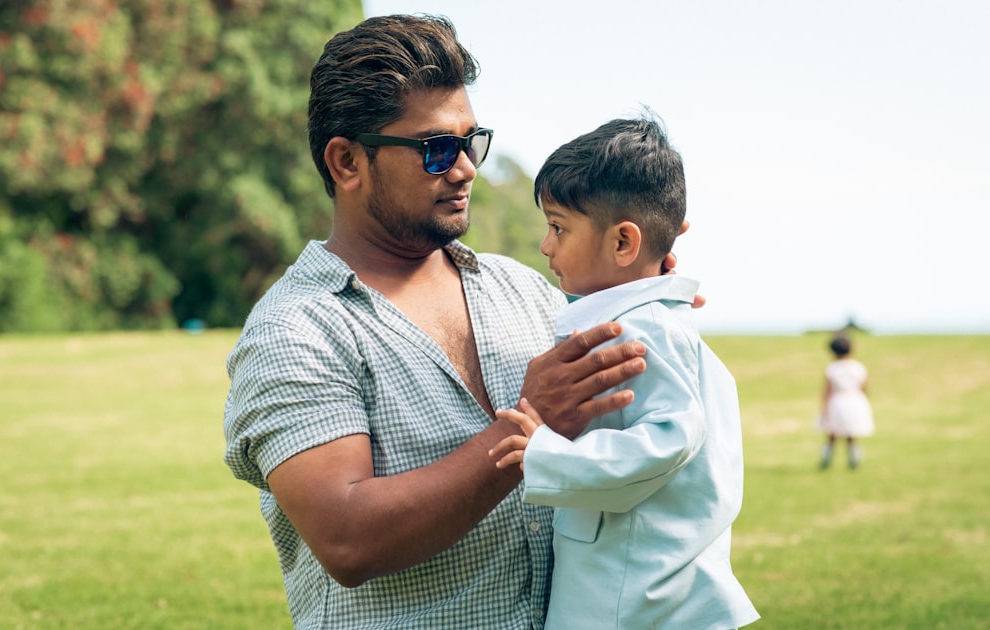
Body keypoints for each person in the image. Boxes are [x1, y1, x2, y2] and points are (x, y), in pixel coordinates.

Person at [222, 15, 698, 628]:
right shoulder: (295, 330)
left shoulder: (527, 291)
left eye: (471, 142)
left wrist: (646, 299)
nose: (467, 167)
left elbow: (632, 414)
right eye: (436, 149)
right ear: (346, 162)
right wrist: (526, 427)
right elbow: (346, 538)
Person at [489, 114, 759, 628]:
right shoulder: (643, 322)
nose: (545, 246)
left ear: (622, 244)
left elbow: (669, 438)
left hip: (634, 603)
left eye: (558, 227)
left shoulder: (641, 332)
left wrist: (546, 451)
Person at [816, 334, 874, 469]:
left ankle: (826, 460)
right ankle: (854, 459)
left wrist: (824, 408)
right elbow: (864, 387)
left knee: (832, 434)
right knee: (851, 435)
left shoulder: (832, 368)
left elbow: (827, 390)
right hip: (854, 401)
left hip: (837, 402)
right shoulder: (858, 367)